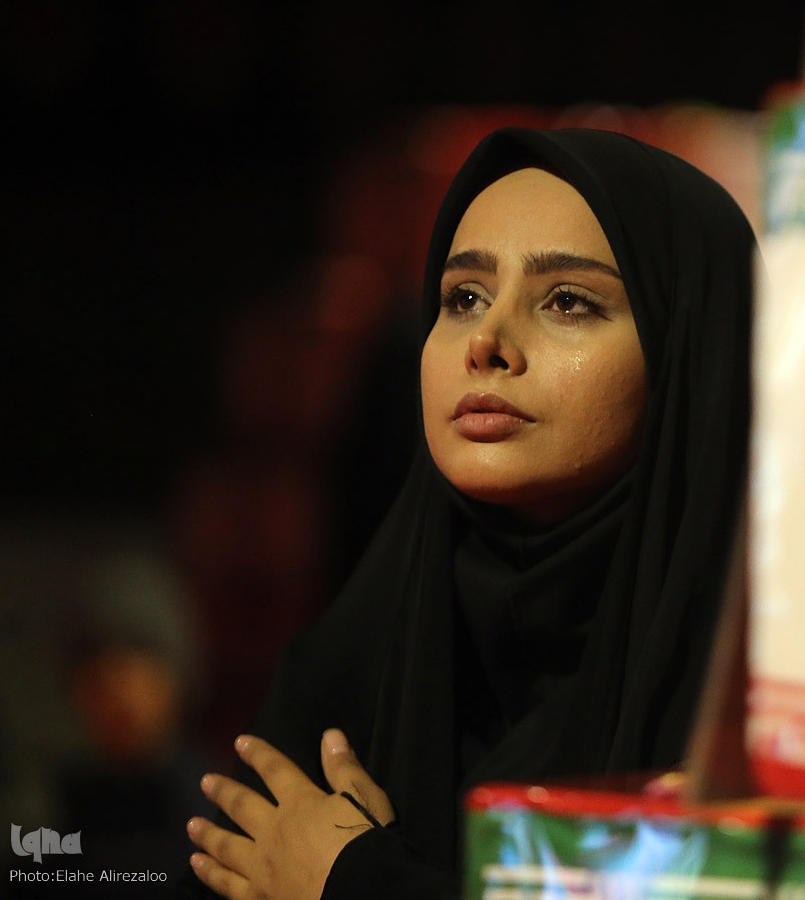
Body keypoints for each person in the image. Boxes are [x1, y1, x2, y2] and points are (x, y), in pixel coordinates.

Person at [179, 127, 758, 899]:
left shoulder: (778, 705)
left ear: (692, 349)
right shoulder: (347, 673)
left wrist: (362, 883)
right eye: (464, 298)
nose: (486, 341)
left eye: (568, 301)